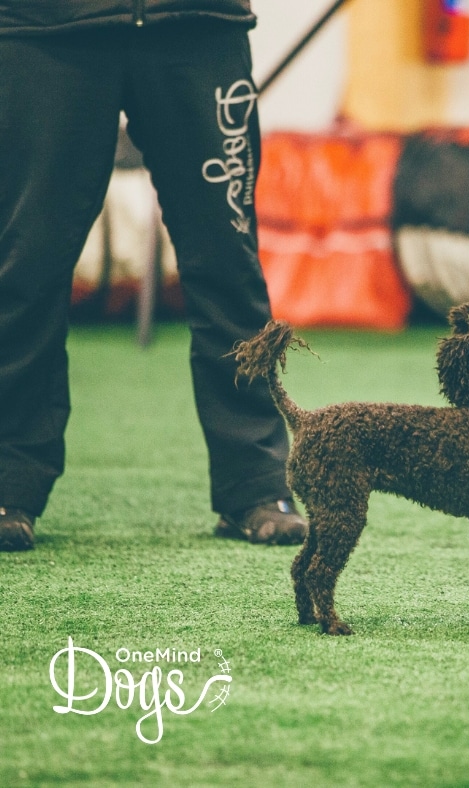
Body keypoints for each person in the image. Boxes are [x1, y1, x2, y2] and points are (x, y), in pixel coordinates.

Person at [0, 0, 306, 551]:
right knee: (27, 262)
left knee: (228, 260)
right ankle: (6, 482)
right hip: (45, 29)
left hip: (198, 25)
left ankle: (255, 483)